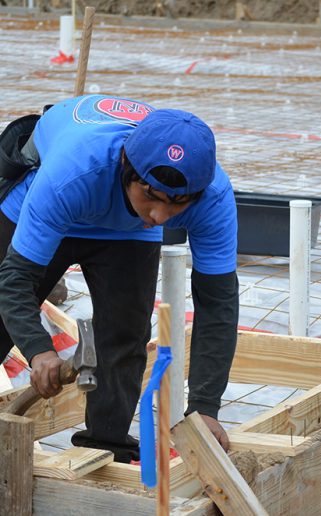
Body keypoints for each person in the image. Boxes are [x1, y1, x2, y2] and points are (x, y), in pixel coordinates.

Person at [0, 95, 238, 463]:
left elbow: (218, 303)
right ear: (127, 164)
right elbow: (14, 279)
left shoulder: (214, 198)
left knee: (125, 336)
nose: (160, 215)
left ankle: (104, 450)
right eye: (152, 196)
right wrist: (38, 349)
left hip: (125, 228)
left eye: (178, 204)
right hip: (60, 197)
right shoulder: (73, 172)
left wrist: (206, 407)